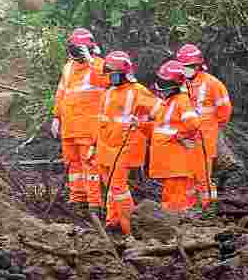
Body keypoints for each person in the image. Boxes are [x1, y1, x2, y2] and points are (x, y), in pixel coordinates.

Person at [95, 51, 155, 236]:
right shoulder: (109, 92)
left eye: (113, 72)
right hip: (105, 146)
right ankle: (113, 223)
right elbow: (101, 120)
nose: (110, 76)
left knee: (118, 188)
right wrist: (93, 145)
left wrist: (143, 126)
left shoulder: (139, 92)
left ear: (124, 73)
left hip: (126, 146)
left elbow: (162, 116)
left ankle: (130, 228)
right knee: (111, 187)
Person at [52, 28, 108, 213]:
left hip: (89, 127)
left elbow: (106, 81)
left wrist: (91, 60)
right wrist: (56, 117)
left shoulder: (98, 65)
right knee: (72, 164)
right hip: (69, 126)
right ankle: (77, 199)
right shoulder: (68, 67)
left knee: (90, 164)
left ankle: (94, 203)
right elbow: (61, 93)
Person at [174, 43, 231, 209]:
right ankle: (190, 206)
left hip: (205, 136)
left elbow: (224, 111)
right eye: (184, 66)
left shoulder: (213, 84)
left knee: (203, 173)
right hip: (186, 136)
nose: (187, 69)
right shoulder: (181, 83)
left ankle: (207, 208)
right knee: (188, 173)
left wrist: (211, 126)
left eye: (190, 66)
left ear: (198, 65)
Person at [147, 60, 203, 214]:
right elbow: (160, 128)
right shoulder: (168, 102)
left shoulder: (181, 101)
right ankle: (173, 224)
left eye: (164, 81)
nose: (160, 85)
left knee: (176, 200)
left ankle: (177, 227)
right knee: (170, 196)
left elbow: (194, 124)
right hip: (170, 162)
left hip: (177, 162)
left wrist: (180, 136)